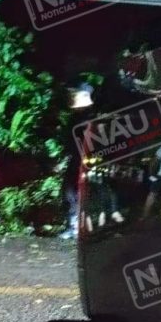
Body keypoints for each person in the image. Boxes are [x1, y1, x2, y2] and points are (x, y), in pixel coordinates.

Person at [59, 82, 94, 240]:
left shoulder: (91, 117)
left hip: (88, 161)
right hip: (75, 159)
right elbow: (69, 140)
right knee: (68, 191)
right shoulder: (75, 117)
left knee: (84, 192)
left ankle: (83, 228)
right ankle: (73, 226)